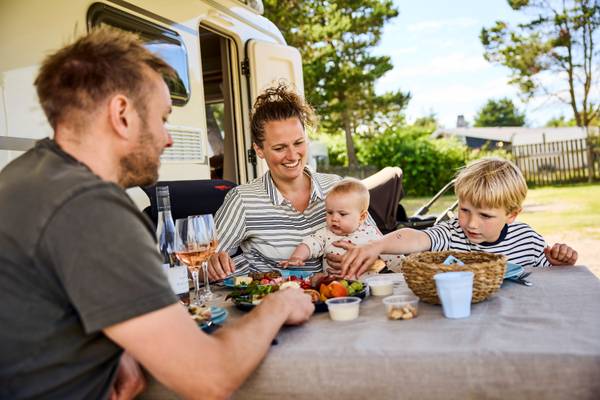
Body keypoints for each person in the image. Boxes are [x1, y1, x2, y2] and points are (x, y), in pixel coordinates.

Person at [0, 27, 314, 400]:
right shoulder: (90, 208)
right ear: (122, 114)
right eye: (163, 118)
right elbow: (209, 377)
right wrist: (277, 305)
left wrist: (115, 349)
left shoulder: (25, 177)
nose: (168, 138)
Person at [207, 84, 380, 280]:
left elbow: (377, 244)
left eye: (298, 143)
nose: (292, 156)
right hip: (276, 303)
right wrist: (213, 262)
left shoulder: (335, 186)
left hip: (342, 298)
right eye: (280, 148)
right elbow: (203, 261)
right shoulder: (242, 200)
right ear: (259, 150)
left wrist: (364, 258)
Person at [338, 157, 578, 277]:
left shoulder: (528, 241)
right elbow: (414, 237)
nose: (471, 223)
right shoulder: (453, 233)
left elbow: (547, 279)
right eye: (465, 210)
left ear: (512, 215)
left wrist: (559, 263)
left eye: (485, 215)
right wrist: (377, 245)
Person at [281, 178, 401, 273]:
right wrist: (297, 257)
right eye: (330, 212)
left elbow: (391, 254)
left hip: (368, 288)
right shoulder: (326, 233)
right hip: (334, 289)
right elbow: (308, 245)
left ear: (362, 217)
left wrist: (404, 268)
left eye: (342, 214)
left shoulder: (371, 234)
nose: (334, 218)